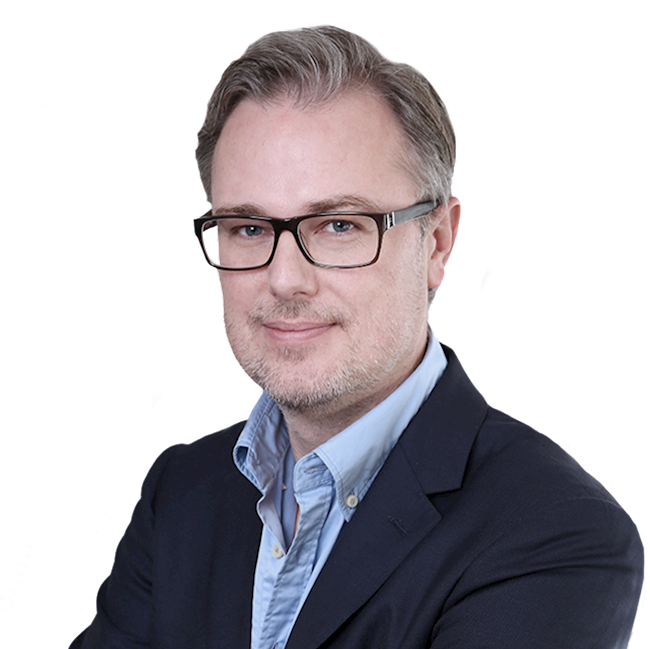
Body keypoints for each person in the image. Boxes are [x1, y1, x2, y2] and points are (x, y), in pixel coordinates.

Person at [72, 26, 644, 649]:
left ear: (437, 242)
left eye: (340, 225)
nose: (284, 280)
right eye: (247, 228)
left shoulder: (555, 529)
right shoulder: (180, 491)